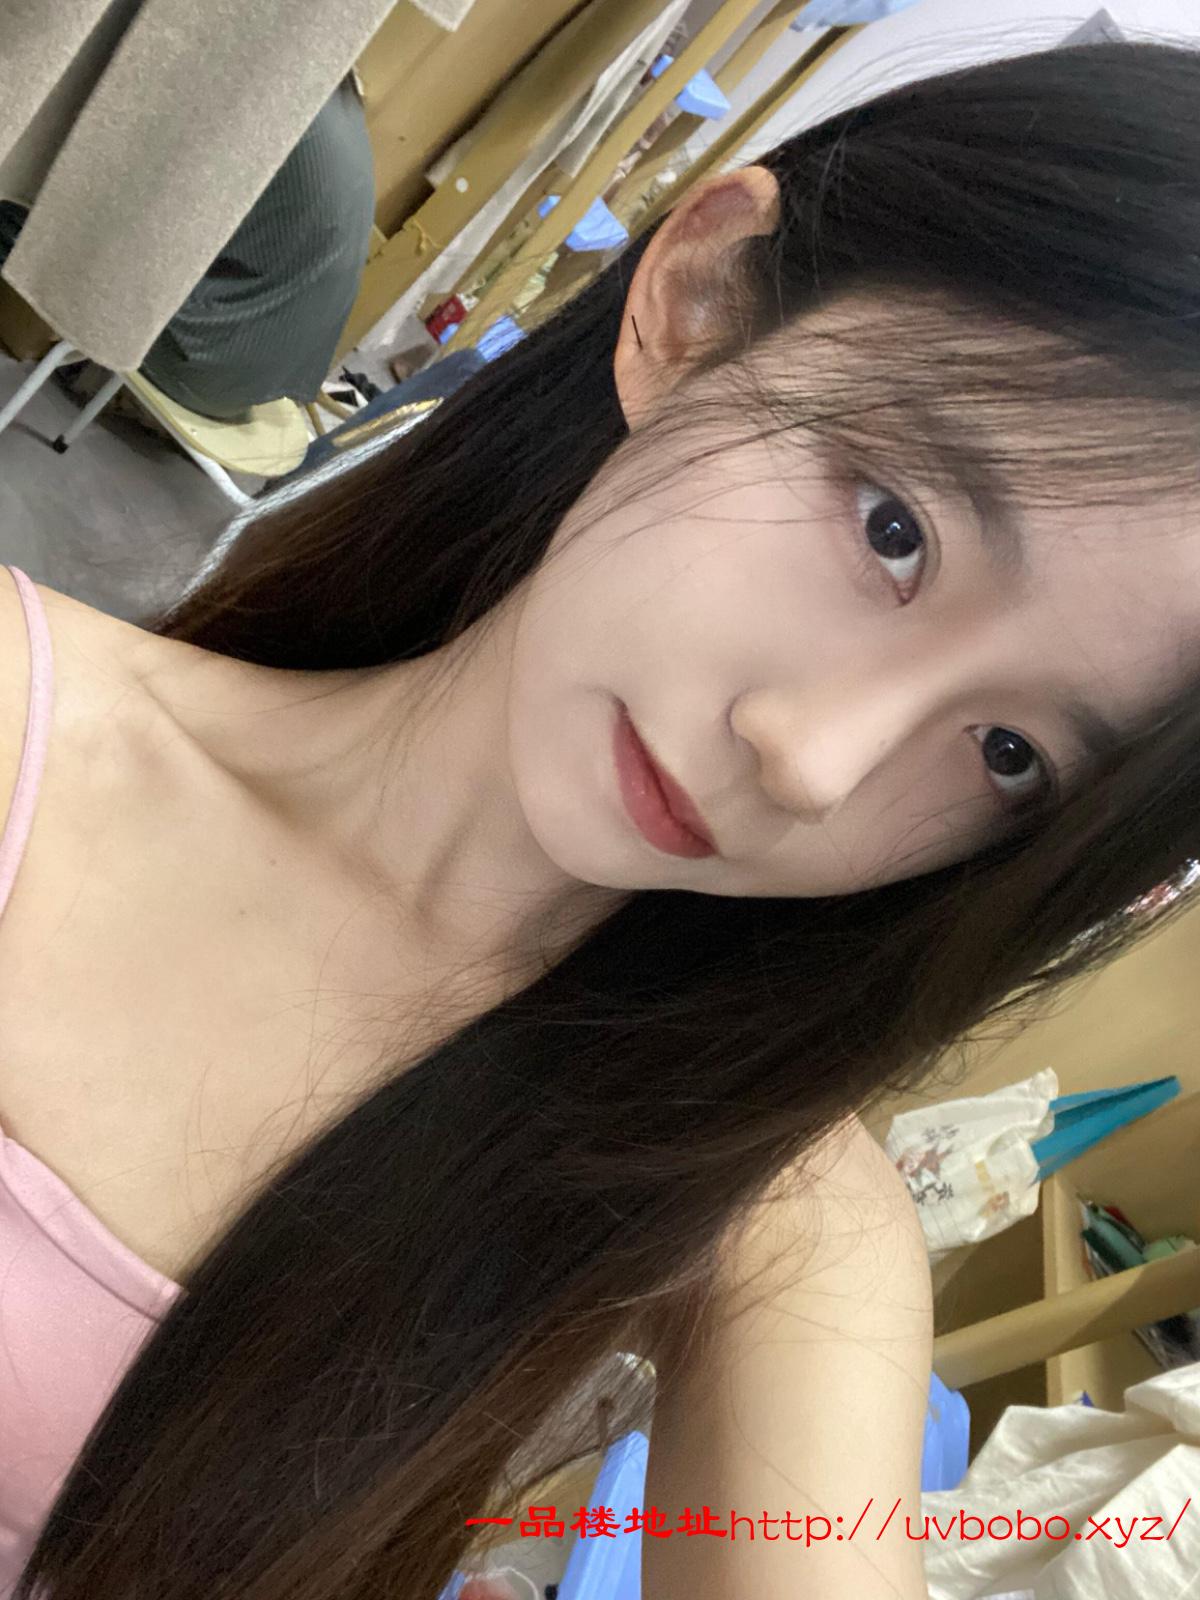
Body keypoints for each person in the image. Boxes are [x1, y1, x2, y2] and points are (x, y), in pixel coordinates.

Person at [2, 36, 1200, 1600]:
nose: (812, 762)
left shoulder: (759, 1209)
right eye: (894, 529)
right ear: (699, 305)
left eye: (1009, 751)